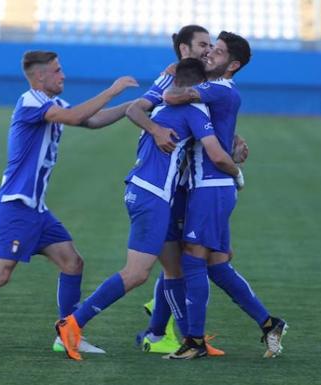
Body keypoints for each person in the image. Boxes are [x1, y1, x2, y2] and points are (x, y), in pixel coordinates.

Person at [0, 50, 138, 358]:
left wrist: (135, 105)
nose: (63, 76)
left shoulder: (52, 104)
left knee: (72, 263)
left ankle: (68, 334)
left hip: (36, 209)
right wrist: (113, 90)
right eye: (58, 71)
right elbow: (76, 117)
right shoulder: (32, 101)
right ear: (40, 77)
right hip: (16, 206)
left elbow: (93, 120)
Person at [55, 57, 244, 361]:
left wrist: (233, 141)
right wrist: (236, 168)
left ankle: (190, 340)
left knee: (174, 269)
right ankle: (73, 323)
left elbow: (138, 111)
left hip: (139, 190)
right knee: (136, 273)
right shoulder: (194, 108)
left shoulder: (159, 108)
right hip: (154, 195)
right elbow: (214, 153)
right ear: (198, 86)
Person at [162, 32, 288, 359]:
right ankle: (269, 322)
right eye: (210, 50)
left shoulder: (216, 88)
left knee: (192, 257)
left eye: (217, 53)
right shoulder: (220, 90)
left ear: (232, 65)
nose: (209, 55)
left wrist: (171, 75)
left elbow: (175, 97)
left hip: (210, 186)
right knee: (217, 266)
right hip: (211, 188)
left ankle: (193, 341)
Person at [125, 25, 225, 356]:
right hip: (170, 185)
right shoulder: (171, 79)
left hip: (184, 185)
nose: (208, 50)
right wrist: (155, 129)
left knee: (180, 265)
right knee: (177, 266)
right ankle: (170, 333)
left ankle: (162, 328)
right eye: (202, 44)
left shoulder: (205, 84)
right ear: (184, 49)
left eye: (211, 45)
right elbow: (138, 107)